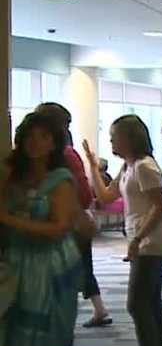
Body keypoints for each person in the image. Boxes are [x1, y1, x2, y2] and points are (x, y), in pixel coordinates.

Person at [0, 113, 93, 346]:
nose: (35, 142)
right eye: (29, 136)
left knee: (36, 338)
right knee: (39, 339)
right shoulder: (14, 175)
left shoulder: (60, 178)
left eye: (43, 137)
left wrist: (9, 220)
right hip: (19, 264)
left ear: (54, 142)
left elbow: (58, 228)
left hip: (49, 266)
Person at [83, 115, 162, 346]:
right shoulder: (128, 166)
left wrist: (137, 239)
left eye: (114, 137)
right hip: (145, 242)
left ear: (129, 138)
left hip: (151, 243)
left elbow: (158, 208)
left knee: (138, 304)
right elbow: (106, 197)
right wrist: (93, 165)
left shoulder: (146, 167)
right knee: (150, 303)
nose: (111, 142)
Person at [33, 103, 110, 329]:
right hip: (67, 224)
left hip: (65, 226)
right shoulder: (67, 154)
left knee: (67, 279)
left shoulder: (62, 156)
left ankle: (63, 343)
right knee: (76, 272)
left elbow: (83, 193)